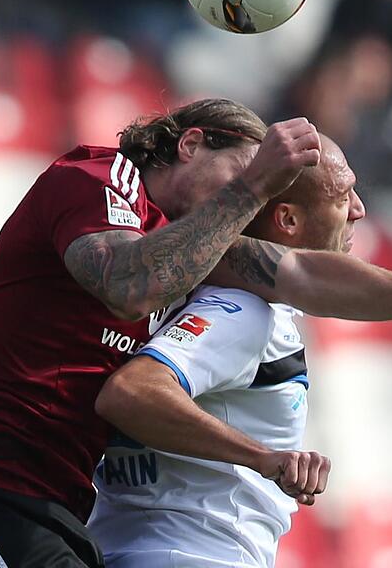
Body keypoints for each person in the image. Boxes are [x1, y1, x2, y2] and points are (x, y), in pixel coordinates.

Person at [0, 98, 392, 568]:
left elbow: (306, 277)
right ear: (191, 143)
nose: (249, 200)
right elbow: (129, 283)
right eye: (241, 174)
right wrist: (255, 182)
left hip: (53, 509)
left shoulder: (187, 243)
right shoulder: (96, 180)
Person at [86, 135, 361, 568]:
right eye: (343, 195)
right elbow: (131, 391)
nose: (359, 210)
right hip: (196, 553)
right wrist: (264, 458)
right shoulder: (243, 313)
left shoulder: (178, 297)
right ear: (287, 219)